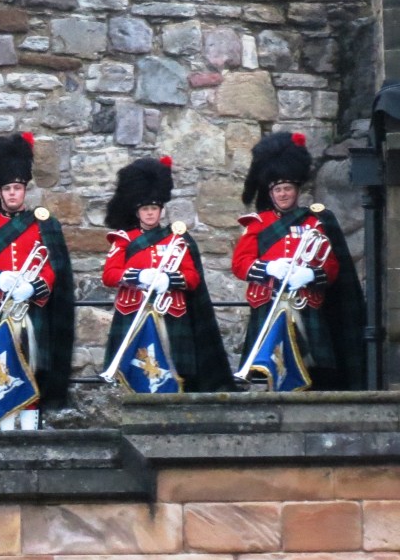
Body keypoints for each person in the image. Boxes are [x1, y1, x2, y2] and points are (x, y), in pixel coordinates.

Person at [231, 131, 366, 390]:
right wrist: (268, 268)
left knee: (312, 364)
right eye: (278, 189)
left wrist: (311, 274)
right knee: (271, 359)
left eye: (287, 189)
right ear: (270, 193)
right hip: (269, 301)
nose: (282, 194)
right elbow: (240, 264)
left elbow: (332, 266)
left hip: (306, 302)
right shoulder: (257, 225)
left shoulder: (315, 221)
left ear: (297, 190)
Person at [0, 132, 74, 428]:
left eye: (18, 188)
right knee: (2, 365)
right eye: (8, 189)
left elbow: (53, 267)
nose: (13, 193)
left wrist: (33, 286)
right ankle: (4, 423)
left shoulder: (41, 224)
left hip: (32, 307)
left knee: (31, 366)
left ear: (25, 190)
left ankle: (30, 427)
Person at [102, 156, 234, 392]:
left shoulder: (177, 239)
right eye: (145, 209)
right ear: (137, 211)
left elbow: (193, 278)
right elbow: (110, 275)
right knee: (135, 369)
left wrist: (168, 280)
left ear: (161, 210)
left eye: (154, 208)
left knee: (173, 370)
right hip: (135, 310)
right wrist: (139, 277)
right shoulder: (124, 239)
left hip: (171, 312)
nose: (150, 213)